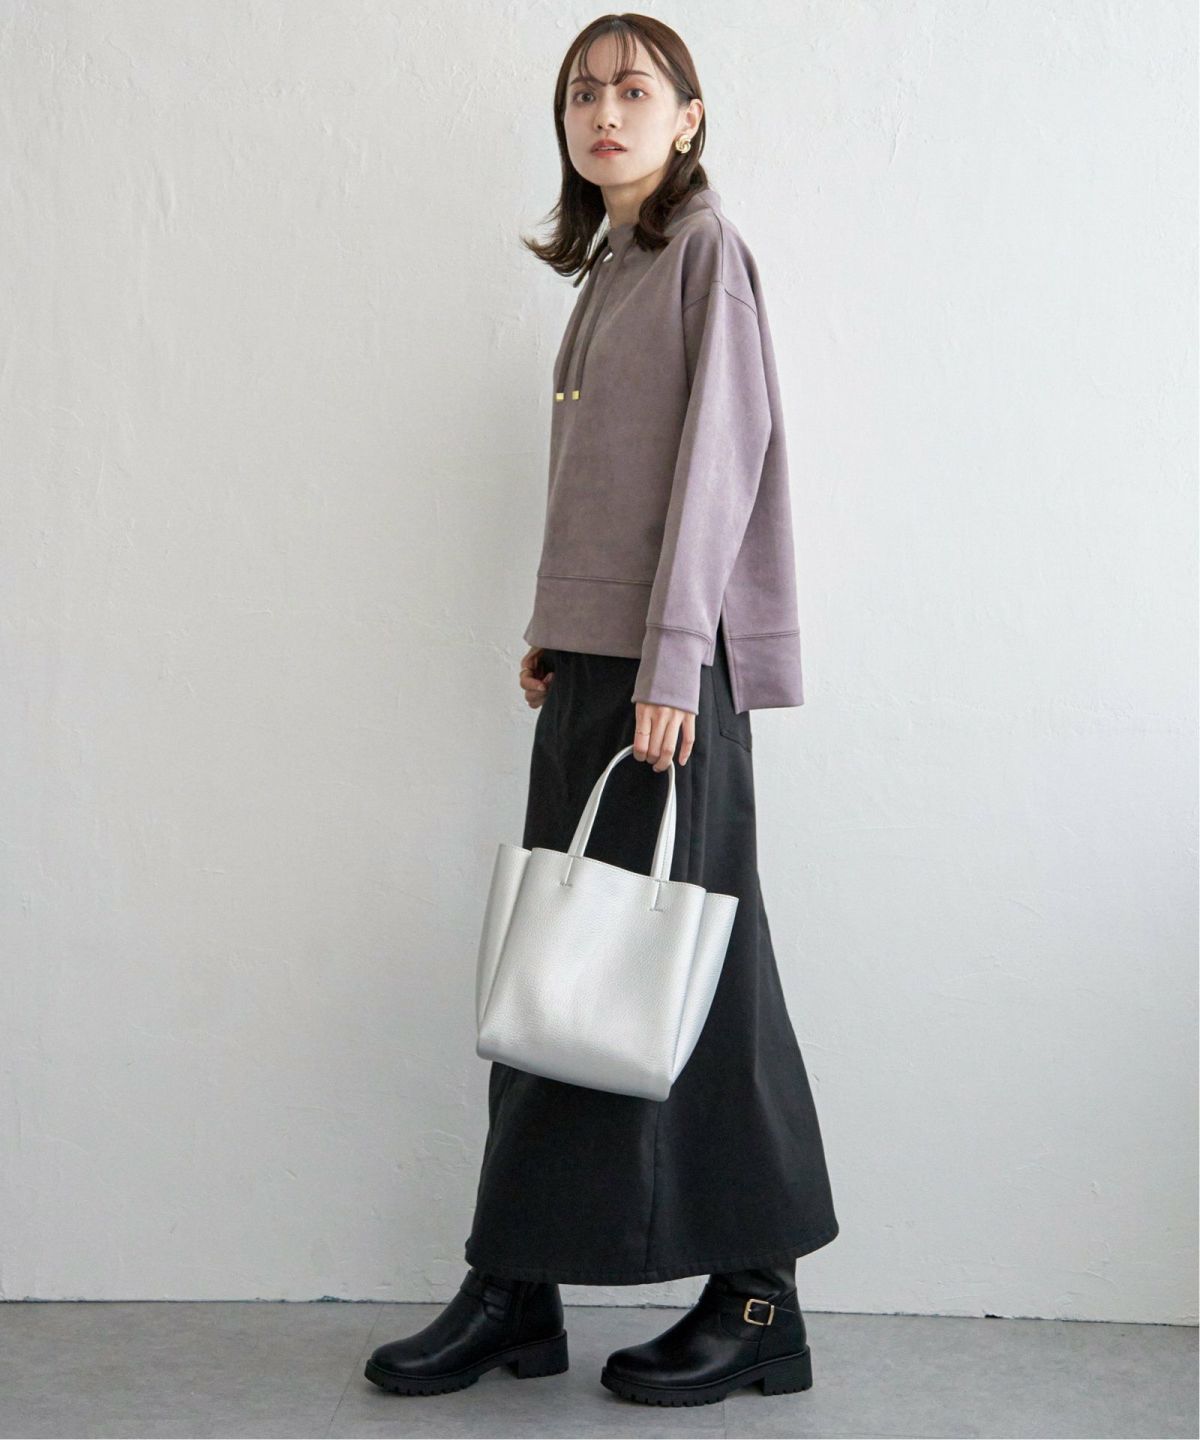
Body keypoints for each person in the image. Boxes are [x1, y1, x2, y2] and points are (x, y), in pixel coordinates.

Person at [365, 13, 839, 1407]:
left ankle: (752, 1297)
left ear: (688, 117)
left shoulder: (704, 255)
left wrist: (669, 659)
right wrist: (554, 628)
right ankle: (522, 1285)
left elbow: (719, 466)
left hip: (668, 681)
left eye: (635, 89)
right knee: (559, 974)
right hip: (602, 664)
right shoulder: (613, 270)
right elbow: (603, 479)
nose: (604, 112)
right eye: (582, 93)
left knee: (694, 978)